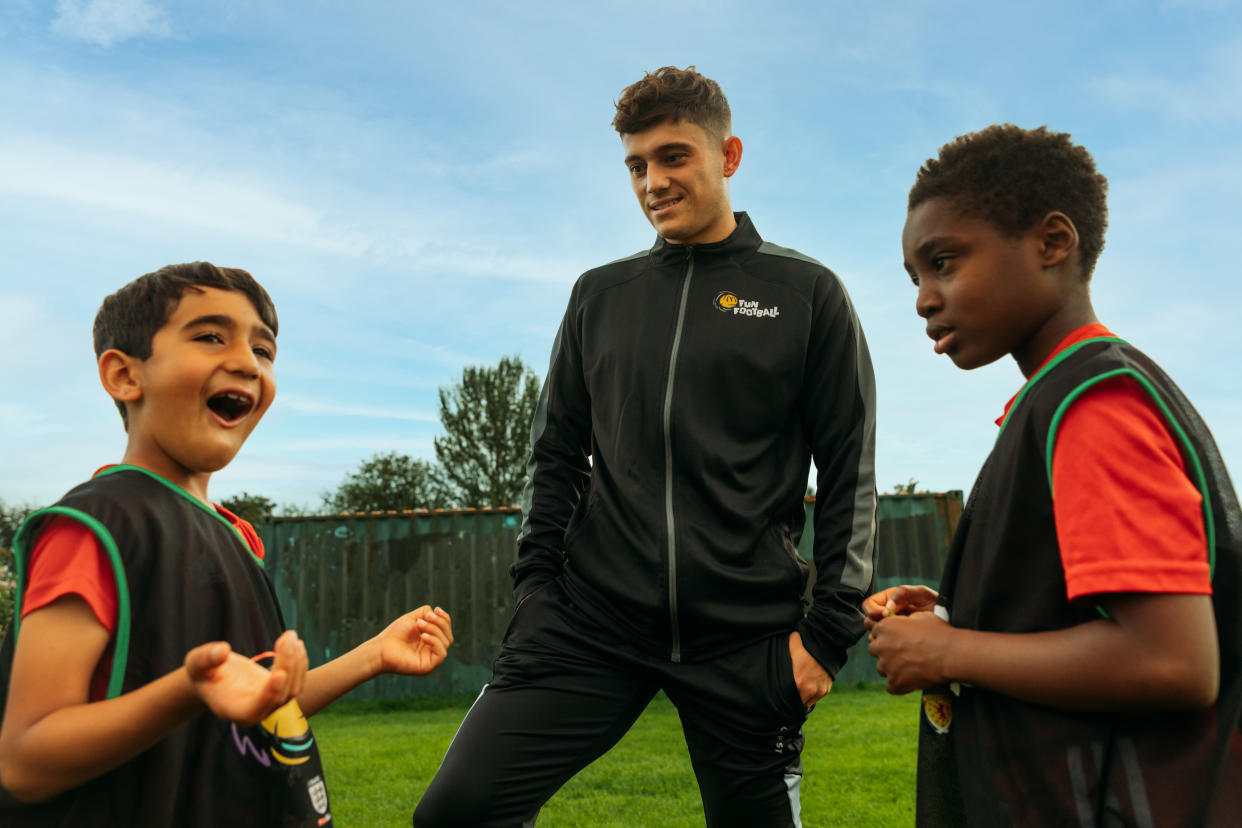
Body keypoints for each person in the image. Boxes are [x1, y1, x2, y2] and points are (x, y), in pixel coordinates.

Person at [414, 66, 877, 828]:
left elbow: (851, 468)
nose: (653, 182)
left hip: (745, 638)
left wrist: (825, 638)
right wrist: (535, 589)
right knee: (455, 815)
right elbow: (556, 452)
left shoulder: (806, 293)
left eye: (673, 157)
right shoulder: (600, 294)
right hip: (591, 622)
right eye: (636, 165)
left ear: (727, 156)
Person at [866, 124, 1242, 826]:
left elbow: (1173, 662)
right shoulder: (1056, 401)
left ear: (1052, 242)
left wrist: (954, 649)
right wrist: (956, 618)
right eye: (915, 277)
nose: (923, 298)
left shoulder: (1093, 405)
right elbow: (1082, 617)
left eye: (943, 261)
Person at [0, 262, 454, 827]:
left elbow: (258, 708)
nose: (246, 361)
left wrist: (373, 656)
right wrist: (187, 691)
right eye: (211, 336)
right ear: (124, 376)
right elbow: (24, 761)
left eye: (264, 351)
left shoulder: (236, 538)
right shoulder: (97, 525)